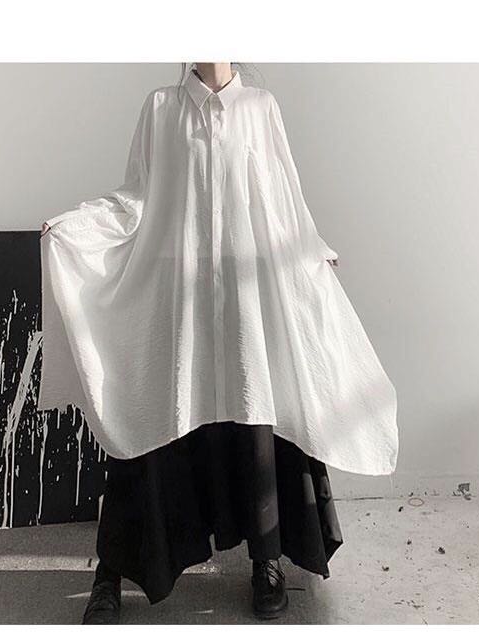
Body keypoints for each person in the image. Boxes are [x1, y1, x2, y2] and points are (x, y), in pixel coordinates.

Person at [38, 62, 398, 624]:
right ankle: (112, 572)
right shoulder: (161, 109)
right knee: (152, 425)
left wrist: (313, 255)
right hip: (175, 296)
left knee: (255, 419)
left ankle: (266, 561)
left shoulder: (260, 109)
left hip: (245, 297)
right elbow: (136, 198)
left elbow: (285, 202)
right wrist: (77, 227)